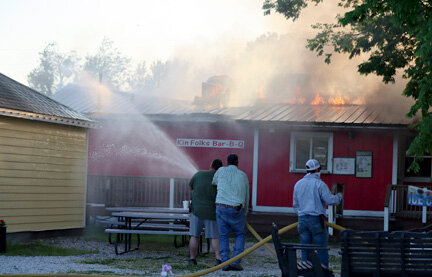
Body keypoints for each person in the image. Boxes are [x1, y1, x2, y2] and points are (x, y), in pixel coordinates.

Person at [293, 159, 343, 267]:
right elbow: (330, 200)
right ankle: (322, 272)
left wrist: (302, 214)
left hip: (302, 220)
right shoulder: (320, 184)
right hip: (316, 220)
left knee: (305, 250)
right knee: (321, 249)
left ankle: (306, 272)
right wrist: (339, 196)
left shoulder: (298, 184)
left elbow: (295, 205)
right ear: (317, 169)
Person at [212, 153, 249, 271]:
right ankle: (236, 262)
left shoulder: (221, 171)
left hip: (221, 207)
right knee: (240, 234)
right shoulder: (243, 176)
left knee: (223, 235)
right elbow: (246, 197)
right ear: (237, 163)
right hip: (236, 208)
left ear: (227, 162)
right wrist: (245, 212)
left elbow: (214, 182)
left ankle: (225, 263)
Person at [188, 159, 223, 266]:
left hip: (196, 210)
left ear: (210, 165)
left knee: (194, 235)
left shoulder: (199, 174)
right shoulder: (219, 178)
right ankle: (218, 259)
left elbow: (191, 188)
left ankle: (192, 259)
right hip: (211, 211)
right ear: (220, 169)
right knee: (215, 236)